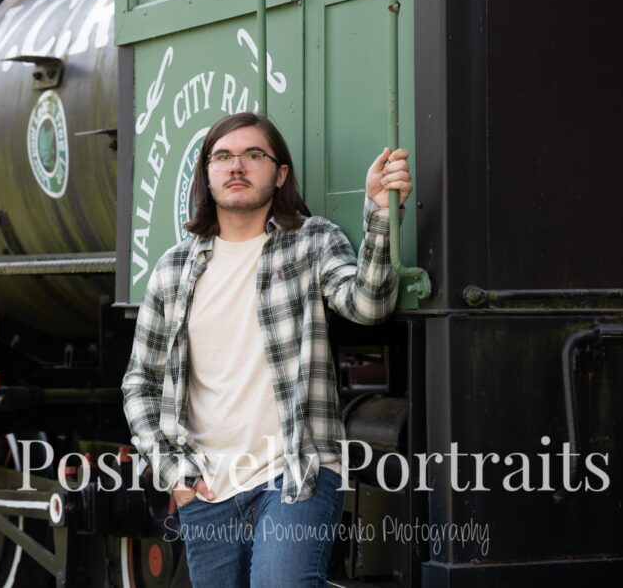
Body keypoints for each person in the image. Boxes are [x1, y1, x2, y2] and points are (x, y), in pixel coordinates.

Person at [121, 112, 411, 587]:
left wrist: (381, 215)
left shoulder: (311, 242)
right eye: (222, 157)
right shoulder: (173, 270)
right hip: (206, 490)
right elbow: (140, 383)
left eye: (253, 155)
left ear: (279, 174)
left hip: (296, 474)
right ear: (207, 174)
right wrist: (174, 473)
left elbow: (369, 305)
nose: (237, 166)